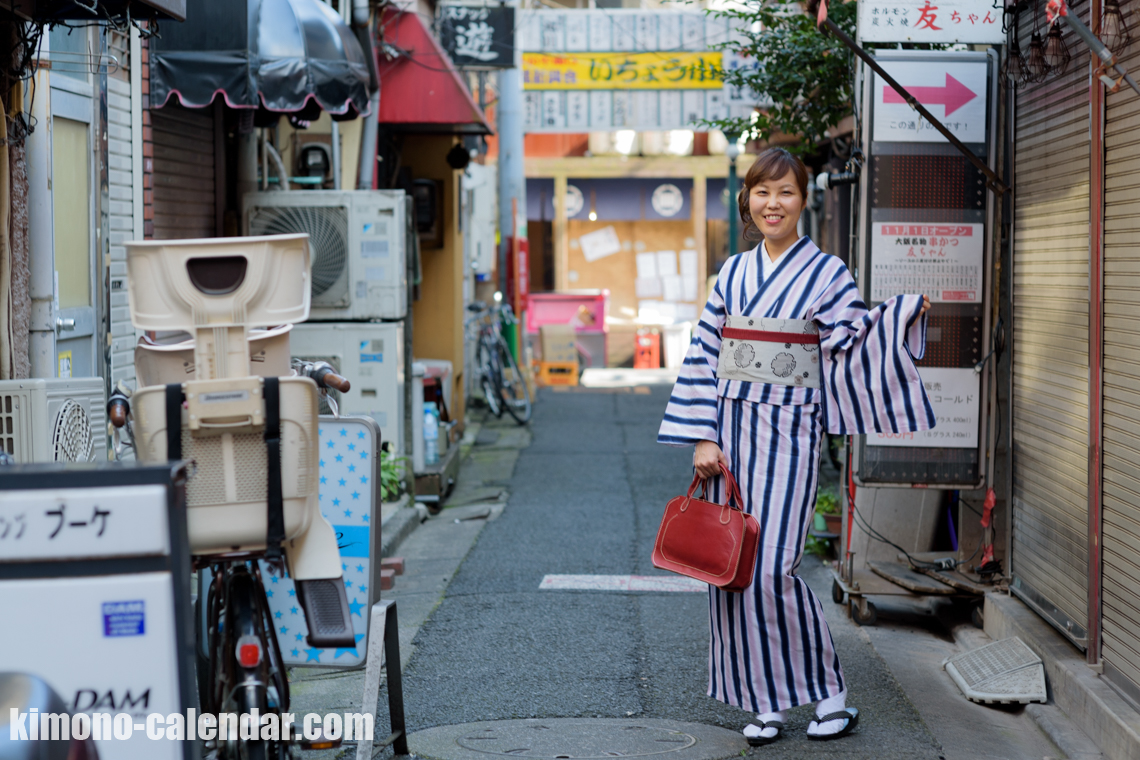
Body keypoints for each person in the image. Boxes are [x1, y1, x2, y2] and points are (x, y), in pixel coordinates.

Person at [658, 148, 933, 746]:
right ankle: (765, 701)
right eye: (762, 192)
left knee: (773, 569)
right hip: (730, 433)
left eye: (785, 192)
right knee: (729, 571)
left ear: (803, 200)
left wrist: (900, 318)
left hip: (789, 430)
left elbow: (853, 342)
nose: (772, 204)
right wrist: (704, 434)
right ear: (748, 201)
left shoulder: (828, 273)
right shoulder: (731, 273)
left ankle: (830, 695)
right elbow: (705, 354)